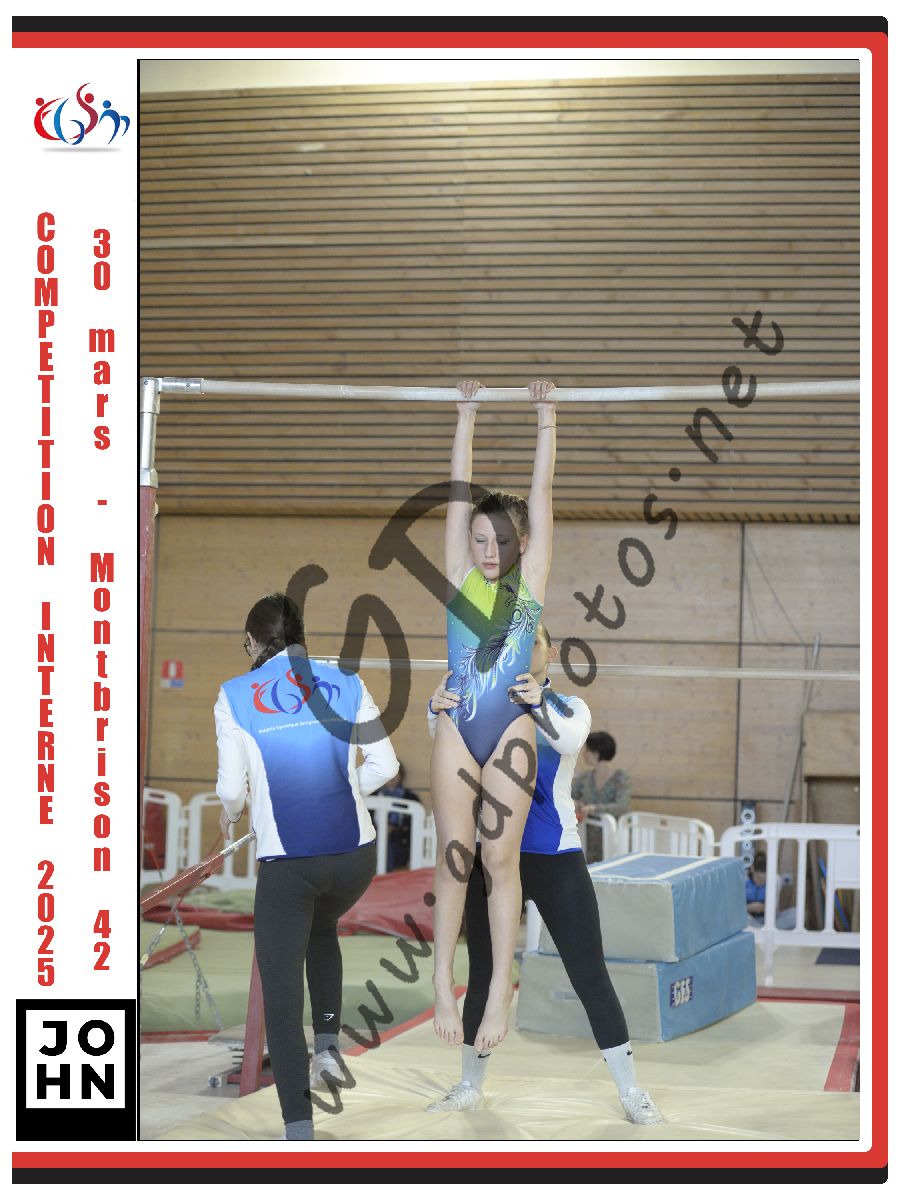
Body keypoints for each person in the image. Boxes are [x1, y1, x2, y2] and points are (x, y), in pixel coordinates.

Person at [425, 624, 663, 1125]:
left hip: (554, 856)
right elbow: (444, 738)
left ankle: (631, 1090)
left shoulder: (569, 706)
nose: (523, 651)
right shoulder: (484, 703)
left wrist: (535, 702)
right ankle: (469, 1082)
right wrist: (437, 706)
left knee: (589, 973)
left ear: (549, 653)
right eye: (515, 644)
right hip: (493, 858)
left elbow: (569, 737)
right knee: (483, 971)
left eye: (532, 643)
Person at [213, 593, 399, 1141]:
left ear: (252, 641)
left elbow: (231, 788)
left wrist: (233, 814)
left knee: (281, 991)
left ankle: (299, 1130)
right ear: (301, 635)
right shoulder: (347, 681)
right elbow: (386, 765)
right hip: (354, 859)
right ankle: (329, 1048)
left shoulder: (234, 695)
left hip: (291, 863)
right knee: (322, 927)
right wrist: (344, 793)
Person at [430, 377, 557, 1052]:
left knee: (498, 860)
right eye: (478, 538)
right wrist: (466, 415)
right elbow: (458, 493)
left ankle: (501, 990)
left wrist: (547, 418)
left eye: (501, 540)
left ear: (521, 543)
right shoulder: (457, 576)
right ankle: (441, 983)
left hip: (508, 726)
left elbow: (542, 494)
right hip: (457, 726)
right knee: (455, 858)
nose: (487, 549)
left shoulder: (530, 582)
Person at [572, 732, 631, 862]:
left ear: (595, 753)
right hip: (588, 840)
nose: (584, 754)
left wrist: (594, 808)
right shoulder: (584, 778)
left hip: (614, 839)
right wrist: (576, 803)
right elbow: (569, 798)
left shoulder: (620, 777)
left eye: (587, 750)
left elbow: (622, 806)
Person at [374, 762, 423, 871]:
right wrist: (381, 829)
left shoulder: (411, 798)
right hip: (374, 841)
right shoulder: (372, 796)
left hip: (399, 843)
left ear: (401, 776)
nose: (392, 778)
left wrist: (395, 830)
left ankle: (383, 876)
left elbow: (414, 827)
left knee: (388, 847)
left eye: (395, 774)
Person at [746, 849, 797, 930]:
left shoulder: (775, 879)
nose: (760, 883)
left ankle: (760, 931)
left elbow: (774, 908)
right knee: (743, 918)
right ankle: (765, 931)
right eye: (758, 879)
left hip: (770, 920)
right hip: (750, 919)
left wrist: (763, 908)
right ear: (752, 869)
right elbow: (736, 909)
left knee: (796, 914)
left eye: (764, 881)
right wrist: (749, 907)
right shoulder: (743, 879)